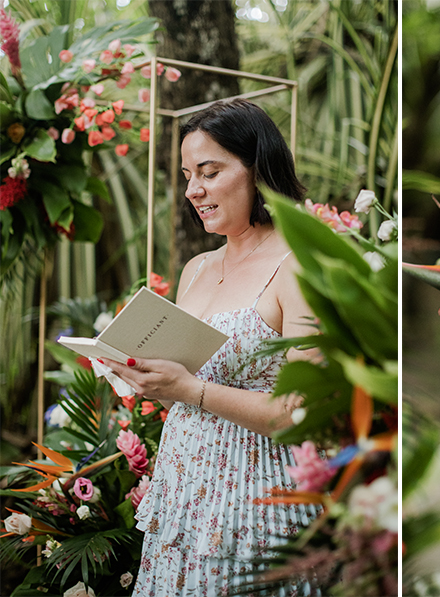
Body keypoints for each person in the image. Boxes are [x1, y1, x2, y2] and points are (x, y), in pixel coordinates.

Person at [104, 99, 318, 596]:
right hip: (184, 488)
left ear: (258, 169)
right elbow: (182, 380)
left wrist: (190, 390)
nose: (192, 190)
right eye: (186, 174)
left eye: (209, 171)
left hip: (256, 493)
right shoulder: (195, 269)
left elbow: (301, 411)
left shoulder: (299, 265)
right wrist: (149, 378)